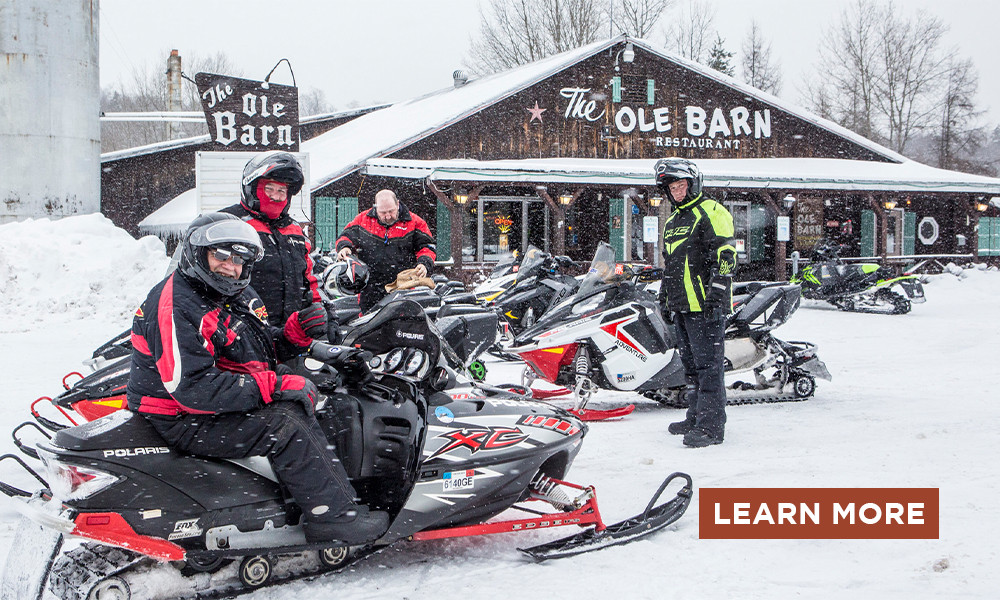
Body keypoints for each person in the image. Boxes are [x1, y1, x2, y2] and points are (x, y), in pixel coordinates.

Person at [126, 212, 388, 545]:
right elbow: (193, 390)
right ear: (197, 253)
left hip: (200, 405)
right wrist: (274, 386)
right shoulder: (176, 304)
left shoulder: (219, 294)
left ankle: (301, 495)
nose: (231, 267)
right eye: (221, 255)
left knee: (321, 396)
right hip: (179, 417)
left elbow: (251, 350)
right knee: (285, 424)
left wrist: (291, 335)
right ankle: (333, 518)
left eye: (239, 260)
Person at [654, 157, 737, 448]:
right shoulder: (674, 221)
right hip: (681, 305)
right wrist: (664, 297)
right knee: (690, 367)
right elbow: (671, 264)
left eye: (680, 186)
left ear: (693, 184)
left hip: (705, 305)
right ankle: (695, 415)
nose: (677, 192)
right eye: (672, 188)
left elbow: (726, 256)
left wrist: (717, 293)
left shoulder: (711, 211)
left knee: (708, 367)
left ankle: (712, 427)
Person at [221, 151, 324, 330]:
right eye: (269, 189)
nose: (275, 197)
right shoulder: (230, 223)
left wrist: (322, 310)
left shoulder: (295, 230)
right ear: (252, 188)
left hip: (291, 334)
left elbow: (309, 279)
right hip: (243, 331)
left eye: (281, 191)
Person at [335, 189, 436, 312]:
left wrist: (424, 263)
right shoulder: (363, 220)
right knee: (369, 325)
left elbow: (427, 246)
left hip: (403, 286)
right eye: (383, 213)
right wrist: (344, 247)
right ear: (375, 208)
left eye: (391, 211)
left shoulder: (414, 222)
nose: (388, 216)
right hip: (370, 287)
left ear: (398, 204)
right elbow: (345, 236)